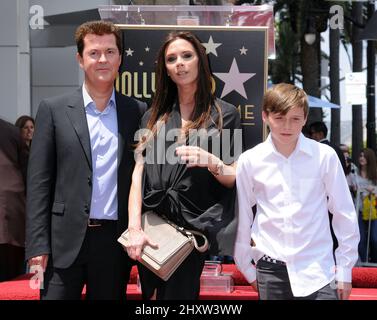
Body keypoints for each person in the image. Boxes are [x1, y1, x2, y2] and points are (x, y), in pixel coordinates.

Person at [25, 20, 147, 300]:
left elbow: (140, 176)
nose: (102, 59)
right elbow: (38, 184)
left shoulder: (136, 111)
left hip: (113, 243)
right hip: (61, 242)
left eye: (110, 52)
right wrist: (37, 246)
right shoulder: (53, 109)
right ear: (80, 59)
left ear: (120, 58)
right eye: (94, 53)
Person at [124, 31, 241, 300]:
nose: (180, 63)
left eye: (187, 56)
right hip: (153, 228)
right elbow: (137, 175)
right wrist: (134, 229)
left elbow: (233, 177)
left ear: (200, 61)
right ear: (164, 69)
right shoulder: (153, 117)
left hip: (192, 230)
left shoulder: (224, 114)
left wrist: (210, 160)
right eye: (171, 58)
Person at [234, 83, 359, 300]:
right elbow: (242, 216)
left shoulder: (324, 156)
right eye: (279, 118)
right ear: (265, 116)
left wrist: (346, 268)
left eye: (295, 119)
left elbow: (343, 212)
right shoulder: (250, 160)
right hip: (270, 269)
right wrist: (246, 267)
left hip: (318, 269)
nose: (287, 126)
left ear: (305, 118)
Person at [0, 118, 28, 281]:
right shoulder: (12, 132)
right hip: (13, 215)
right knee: (11, 280)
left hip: (12, 214)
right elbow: (29, 174)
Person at [354, 148, 377, 263]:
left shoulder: (375, 174)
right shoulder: (355, 173)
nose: (361, 158)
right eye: (360, 156)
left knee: (374, 238)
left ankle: (374, 262)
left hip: (374, 211)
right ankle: (363, 263)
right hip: (359, 210)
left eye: (364, 156)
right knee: (361, 239)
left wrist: (373, 190)